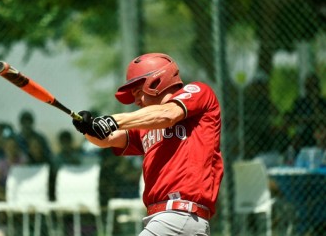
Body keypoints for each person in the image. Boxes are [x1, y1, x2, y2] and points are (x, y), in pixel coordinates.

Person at [72, 53, 223, 236]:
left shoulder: (198, 92)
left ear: (156, 81)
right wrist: (88, 128)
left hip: (179, 216)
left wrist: (113, 120)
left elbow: (168, 115)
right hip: (165, 219)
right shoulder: (146, 126)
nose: (136, 101)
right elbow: (108, 139)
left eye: (138, 92)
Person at [285, 73, 326, 151]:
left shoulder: (324, 102)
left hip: (321, 133)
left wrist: (315, 102)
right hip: (304, 133)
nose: (311, 90)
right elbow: (291, 118)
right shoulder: (300, 102)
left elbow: (322, 118)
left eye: (314, 86)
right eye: (308, 87)